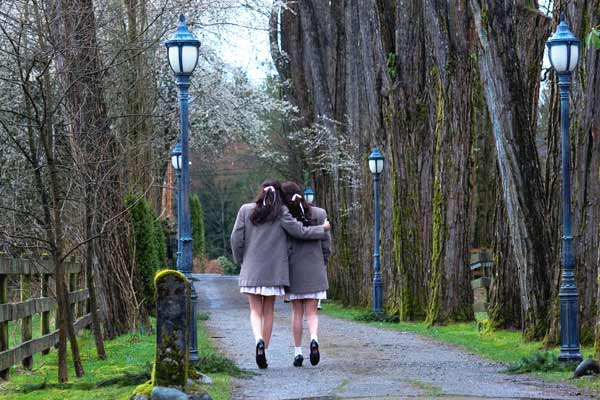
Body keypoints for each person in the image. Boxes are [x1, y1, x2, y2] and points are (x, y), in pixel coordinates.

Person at [230, 180, 330, 369]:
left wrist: (240, 259)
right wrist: (322, 229)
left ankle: (258, 340)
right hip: (274, 271)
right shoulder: (282, 213)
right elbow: (300, 232)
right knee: (268, 311)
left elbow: (236, 238)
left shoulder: (245, 210)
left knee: (254, 311)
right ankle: (264, 350)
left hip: (251, 268)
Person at [281, 181, 330, 367]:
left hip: (294, 270)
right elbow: (327, 245)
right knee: (312, 312)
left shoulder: (286, 216)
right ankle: (314, 339)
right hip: (315, 267)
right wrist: (322, 262)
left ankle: (298, 352)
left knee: (296, 312)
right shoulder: (320, 213)